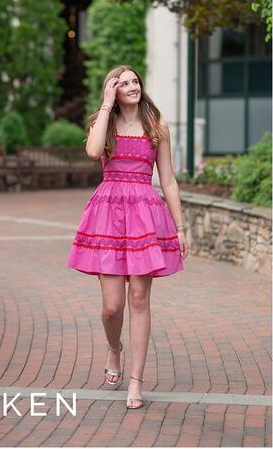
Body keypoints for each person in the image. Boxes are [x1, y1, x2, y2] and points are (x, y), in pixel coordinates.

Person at [66, 65, 188, 410]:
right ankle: (114, 348)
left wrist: (180, 228)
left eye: (135, 81)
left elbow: (168, 180)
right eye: (123, 83)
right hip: (108, 214)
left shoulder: (156, 126)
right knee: (112, 306)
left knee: (138, 298)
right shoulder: (103, 123)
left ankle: (136, 380)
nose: (132, 86)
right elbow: (92, 152)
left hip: (145, 214)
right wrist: (106, 104)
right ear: (112, 90)